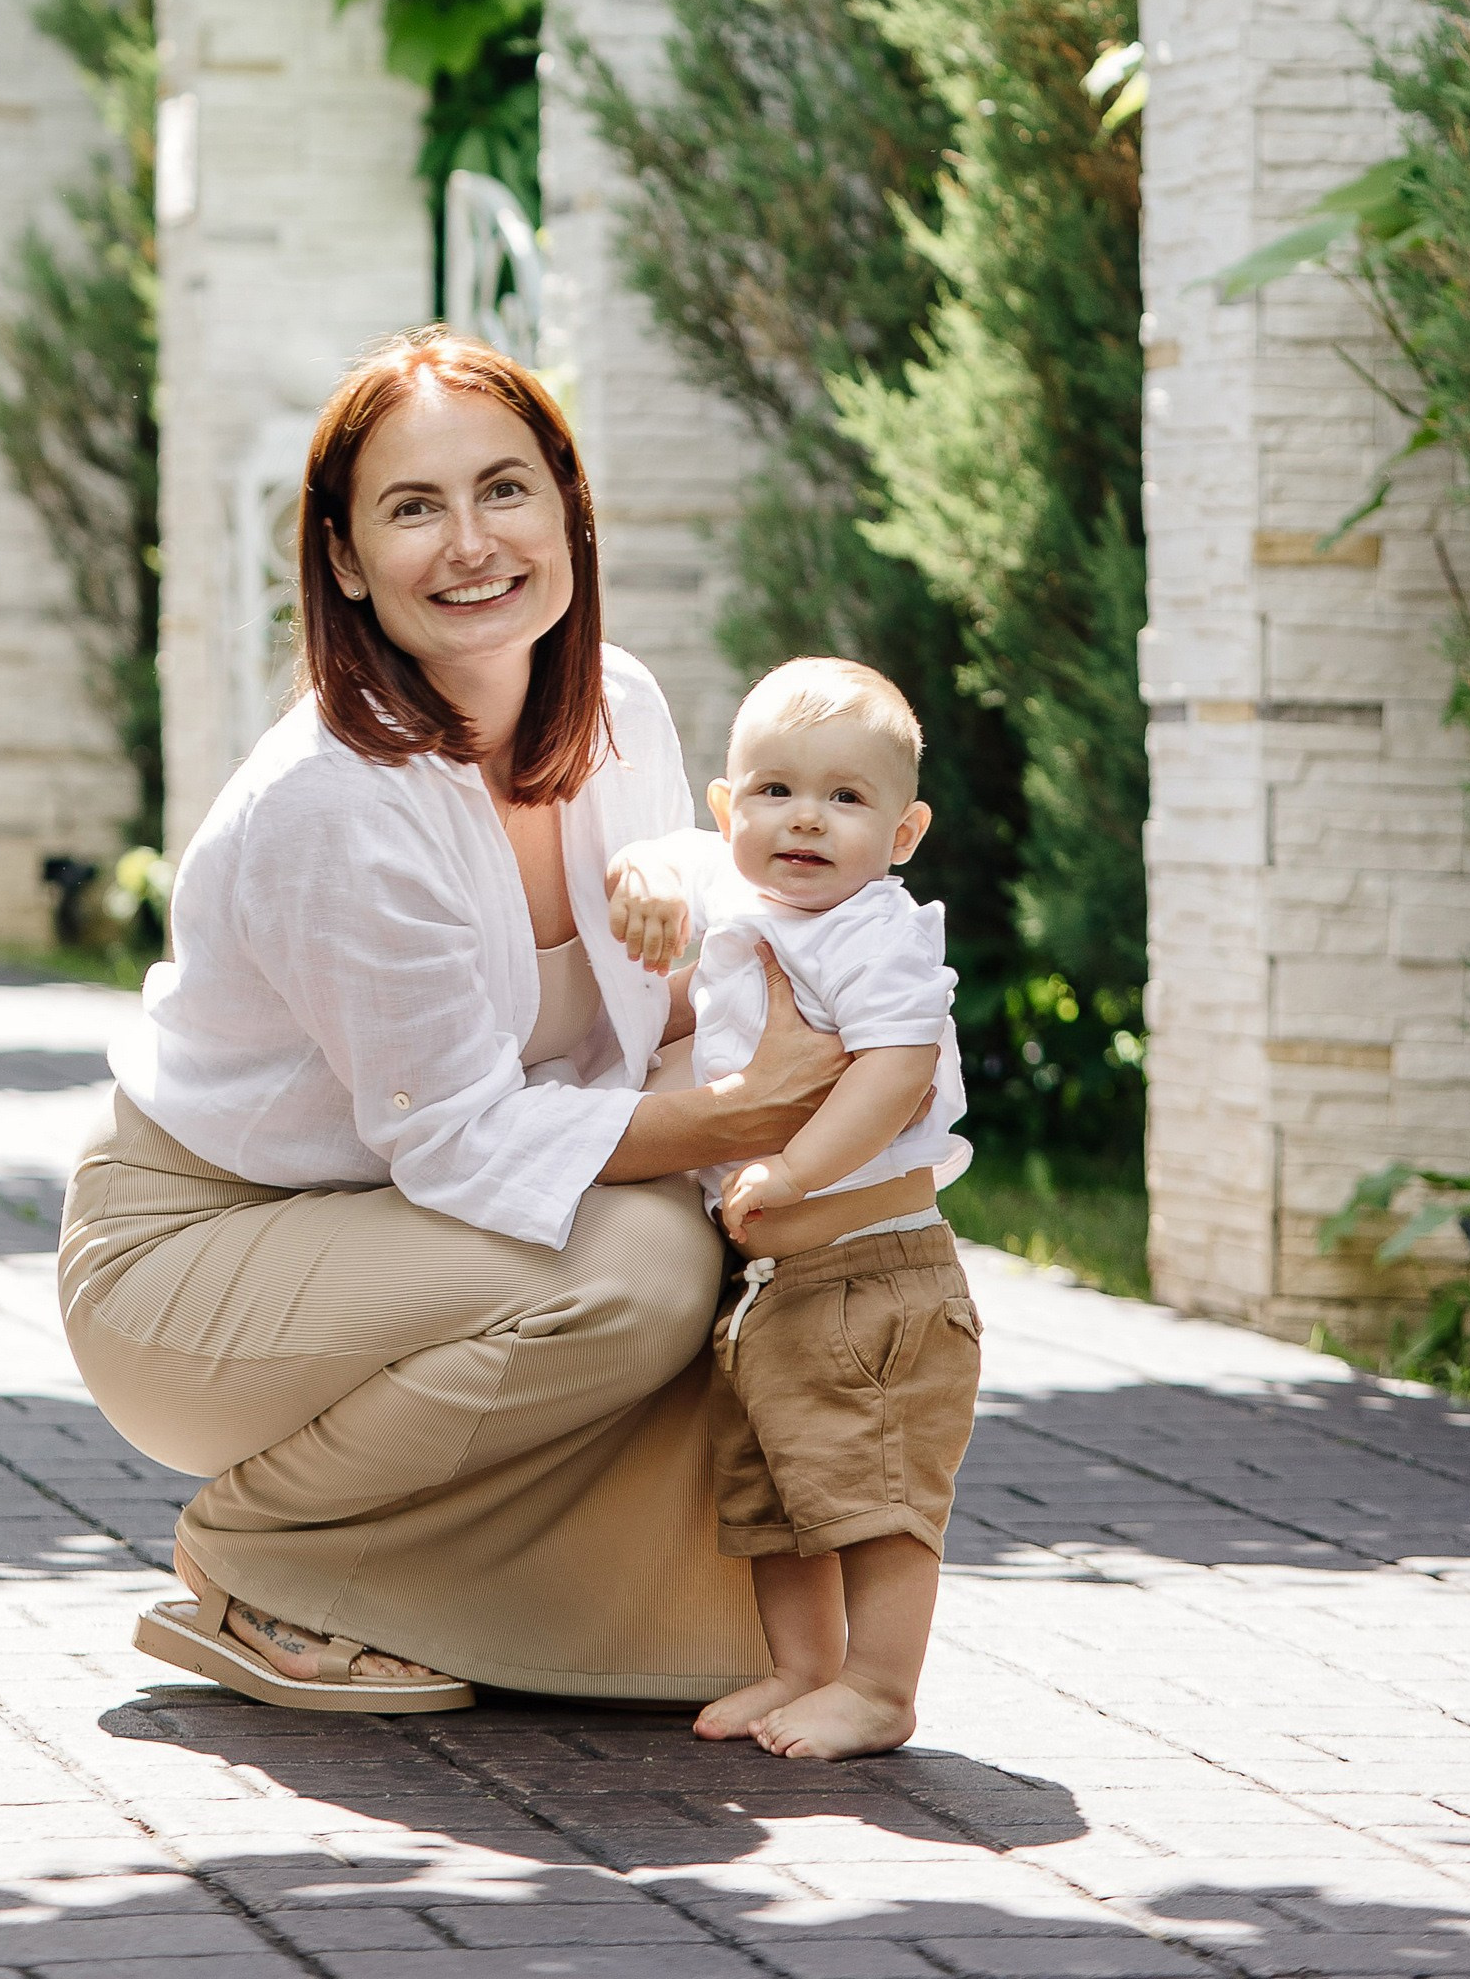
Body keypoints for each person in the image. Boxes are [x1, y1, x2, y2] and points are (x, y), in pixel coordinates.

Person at [56, 327, 848, 1713]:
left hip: (404, 1234)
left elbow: (676, 1009)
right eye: (413, 508)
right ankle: (258, 1558)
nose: (470, 542)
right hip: (195, 1256)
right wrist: (745, 1116)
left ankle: (453, 1600)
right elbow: (471, 1152)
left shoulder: (617, 706)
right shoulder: (336, 801)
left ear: (567, 511)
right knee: (638, 1273)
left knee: (720, 1236)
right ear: (348, 561)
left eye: (504, 490)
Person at [604, 656, 980, 1759]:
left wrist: (799, 1169)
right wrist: (649, 872)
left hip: (876, 1276)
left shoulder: (873, 930)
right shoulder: (743, 895)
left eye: (845, 798)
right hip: (778, 1291)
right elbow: (673, 852)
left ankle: (879, 1688)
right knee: (775, 1497)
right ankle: (803, 1669)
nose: (804, 820)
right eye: (774, 790)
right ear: (731, 809)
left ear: (902, 836)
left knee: (876, 1500)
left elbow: (898, 1067)